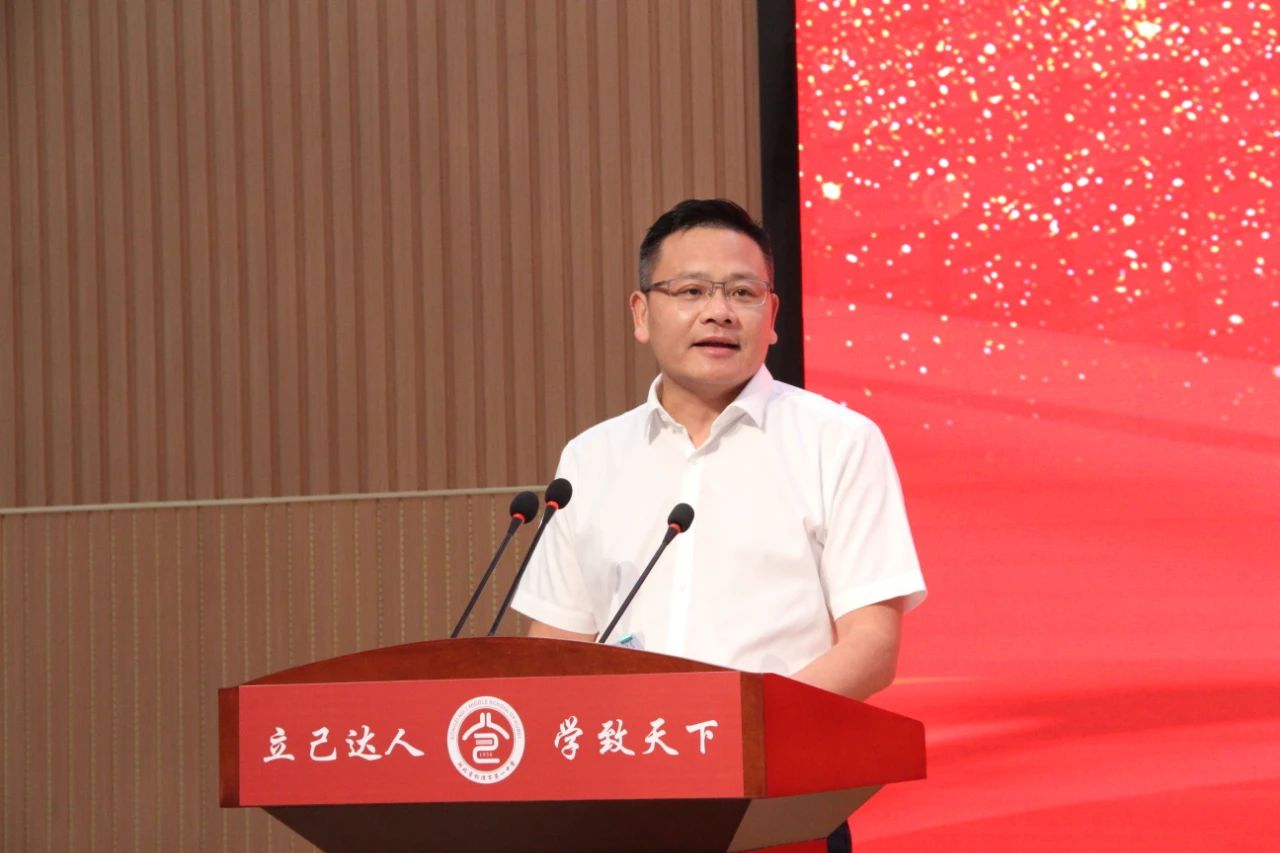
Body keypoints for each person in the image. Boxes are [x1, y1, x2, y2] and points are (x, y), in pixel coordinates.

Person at [510, 199, 926, 851]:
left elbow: (872, 646)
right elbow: (553, 648)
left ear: (773, 316)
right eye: (692, 291)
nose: (719, 312)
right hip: (624, 803)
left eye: (742, 292)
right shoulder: (591, 458)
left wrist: (738, 732)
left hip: (779, 803)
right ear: (642, 313)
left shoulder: (838, 442)